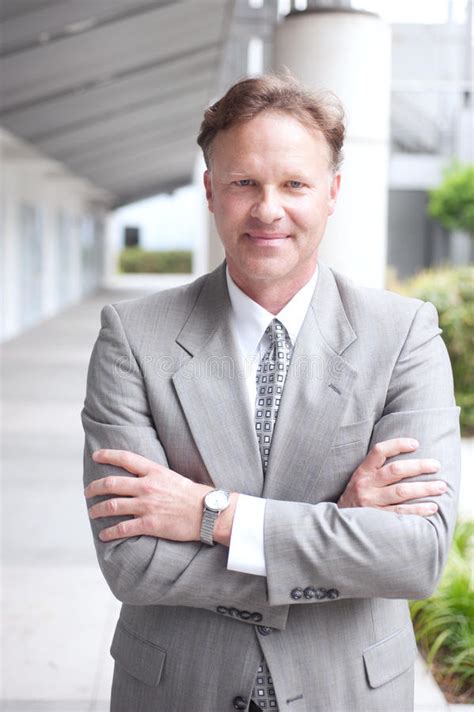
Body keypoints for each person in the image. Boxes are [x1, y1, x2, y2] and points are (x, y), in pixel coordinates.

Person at [82, 74, 460, 712]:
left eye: (295, 184)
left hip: (348, 692)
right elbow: (135, 564)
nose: (268, 209)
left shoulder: (404, 336)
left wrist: (212, 515)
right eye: (243, 183)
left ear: (332, 192)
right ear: (210, 190)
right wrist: (341, 533)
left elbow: (414, 558)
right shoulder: (132, 338)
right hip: (178, 690)